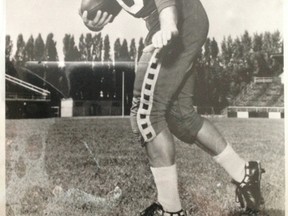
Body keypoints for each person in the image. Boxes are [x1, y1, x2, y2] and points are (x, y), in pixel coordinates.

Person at [80, 0, 265, 215]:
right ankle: (245, 172)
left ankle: (170, 210)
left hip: (178, 22)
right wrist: (94, 20)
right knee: (181, 117)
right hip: (185, 22)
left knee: (147, 115)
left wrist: (168, 23)